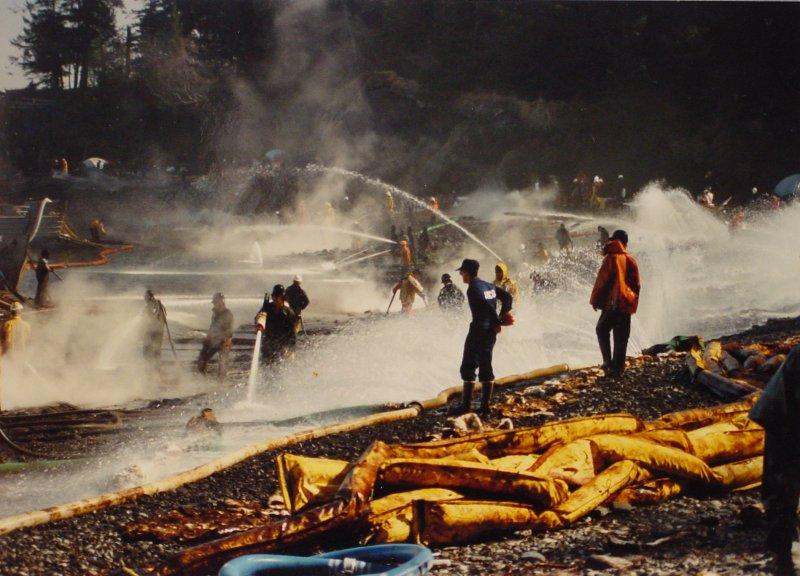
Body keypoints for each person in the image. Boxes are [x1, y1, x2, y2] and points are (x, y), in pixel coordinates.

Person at [749, 345, 800, 573]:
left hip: (785, 408)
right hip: (782, 412)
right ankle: (780, 544)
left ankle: (780, 539)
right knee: (783, 477)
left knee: (782, 475)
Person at [453, 259, 513, 417]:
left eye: (462, 272)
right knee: (486, 364)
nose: (460, 275)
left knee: (468, 365)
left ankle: (466, 405)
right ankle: (485, 406)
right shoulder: (489, 285)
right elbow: (507, 297)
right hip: (490, 333)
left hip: (479, 330)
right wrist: (502, 315)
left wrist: (497, 320)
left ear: (467, 272)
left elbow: (484, 304)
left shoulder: (473, 288)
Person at [590, 229, 641, 377]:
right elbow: (637, 285)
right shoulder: (631, 259)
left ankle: (607, 362)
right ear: (625, 243)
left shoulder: (610, 258)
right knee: (621, 335)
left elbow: (602, 281)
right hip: (626, 303)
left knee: (601, 329)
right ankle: (618, 369)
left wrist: (595, 301)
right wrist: (632, 302)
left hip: (613, 304)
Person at [255, 284, 297, 363]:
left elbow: (292, 333)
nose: (275, 299)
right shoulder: (267, 308)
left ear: (283, 298)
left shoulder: (289, 313)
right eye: (273, 296)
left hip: (282, 345)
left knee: (279, 368)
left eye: (277, 297)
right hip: (268, 343)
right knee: (266, 366)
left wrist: (291, 350)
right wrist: (259, 321)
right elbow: (257, 318)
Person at [197, 292, 234, 380]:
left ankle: (221, 380)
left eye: (217, 302)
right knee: (202, 357)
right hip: (213, 338)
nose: (216, 304)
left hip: (224, 340)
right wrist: (208, 337)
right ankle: (203, 377)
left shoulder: (228, 314)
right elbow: (212, 325)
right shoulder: (215, 313)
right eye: (215, 302)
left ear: (222, 302)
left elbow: (230, 330)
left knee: (223, 362)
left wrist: (224, 338)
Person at [142, 290, 167, 360]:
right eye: (144, 296)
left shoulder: (154, 305)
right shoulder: (156, 304)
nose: (144, 298)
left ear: (150, 297)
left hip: (154, 331)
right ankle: (154, 366)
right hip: (156, 330)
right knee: (155, 349)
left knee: (149, 349)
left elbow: (155, 314)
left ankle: (153, 367)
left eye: (146, 296)